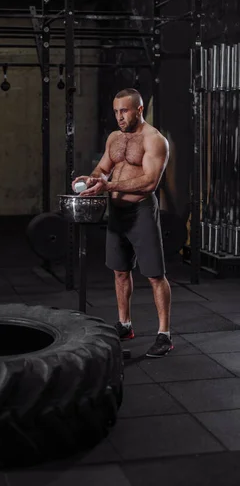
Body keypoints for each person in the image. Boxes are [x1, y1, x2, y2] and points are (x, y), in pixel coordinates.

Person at [72, 88, 173, 358]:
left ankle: (164, 335)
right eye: (116, 111)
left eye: (124, 111)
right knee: (119, 271)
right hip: (117, 213)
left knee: (154, 274)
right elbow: (103, 168)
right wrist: (91, 179)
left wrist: (108, 186)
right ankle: (125, 325)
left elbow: (150, 181)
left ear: (139, 110)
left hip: (140, 211)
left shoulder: (154, 140)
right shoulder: (114, 138)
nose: (119, 116)